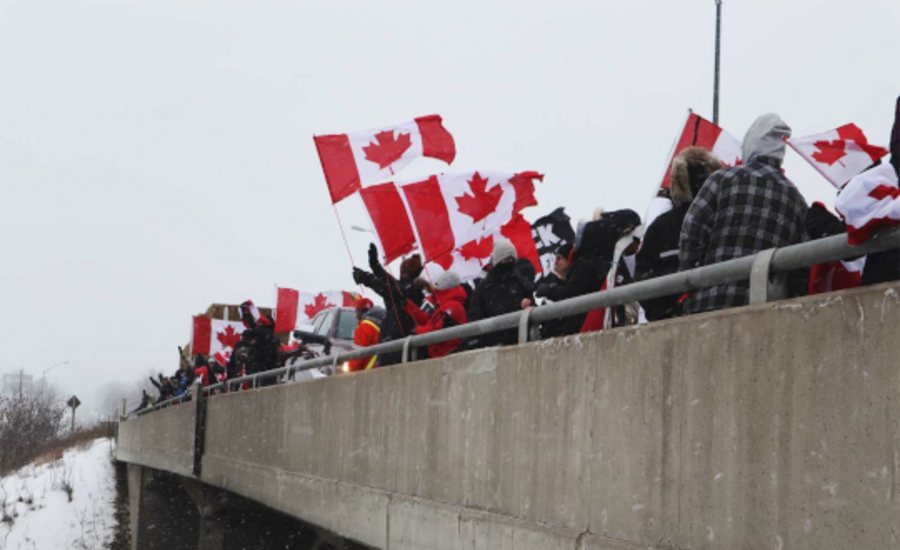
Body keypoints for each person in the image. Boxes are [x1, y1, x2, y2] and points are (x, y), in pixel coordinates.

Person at [679, 113, 809, 314]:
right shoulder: (796, 199)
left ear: (750, 143)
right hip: (766, 312)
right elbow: (801, 265)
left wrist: (690, 280)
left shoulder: (721, 179)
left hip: (709, 304)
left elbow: (692, 231)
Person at [635, 147, 723, 321]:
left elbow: (643, 275)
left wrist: (663, 313)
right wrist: (663, 312)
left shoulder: (662, 226)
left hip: (702, 317)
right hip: (714, 317)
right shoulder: (662, 227)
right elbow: (643, 276)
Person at [555, 209, 642, 335]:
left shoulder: (586, 264)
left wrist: (550, 291)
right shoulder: (611, 263)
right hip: (606, 331)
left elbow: (570, 295)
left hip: (585, 333)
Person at [353, 245, 424, 366]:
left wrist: (368, 279)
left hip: (400, 353)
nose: (402, 276)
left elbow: (390, 290)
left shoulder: (414, 290)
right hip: (392, 351)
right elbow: (389, 283)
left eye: (404, 273)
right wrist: (375, 266)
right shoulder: (405, 288)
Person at [466, 239, 534, 348]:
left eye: (512, 259)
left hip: (520, 341)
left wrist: (527, 306)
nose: (510, 262)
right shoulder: (483, 288)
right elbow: (475, 317)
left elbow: (533, 308)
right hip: (492, 345)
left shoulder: (522, 283)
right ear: (498, 260)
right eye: (506, 259)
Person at [403, 270, 468, 358]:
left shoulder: (452, 306)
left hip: (446, 356)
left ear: (444, 289)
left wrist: (416, 329)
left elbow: (436, 332)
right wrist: (407, 305)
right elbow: (430, 321)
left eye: (437, 289)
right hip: (443, 355)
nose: (434, 291)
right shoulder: (446, 304)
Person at [535, 242, 573, 338]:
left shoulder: (576, 282)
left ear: (569, 259)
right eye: (555, 258)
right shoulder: (551, 283)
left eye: (559, 258)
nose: (555, 262)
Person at [347, 297, 386, 372]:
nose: (356, 316)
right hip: (380, 370)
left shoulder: (364, 327)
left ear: (361, 313)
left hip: (366, 374)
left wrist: (350, 373)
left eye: (357, 312)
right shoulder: (380, 325)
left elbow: (357, 355)